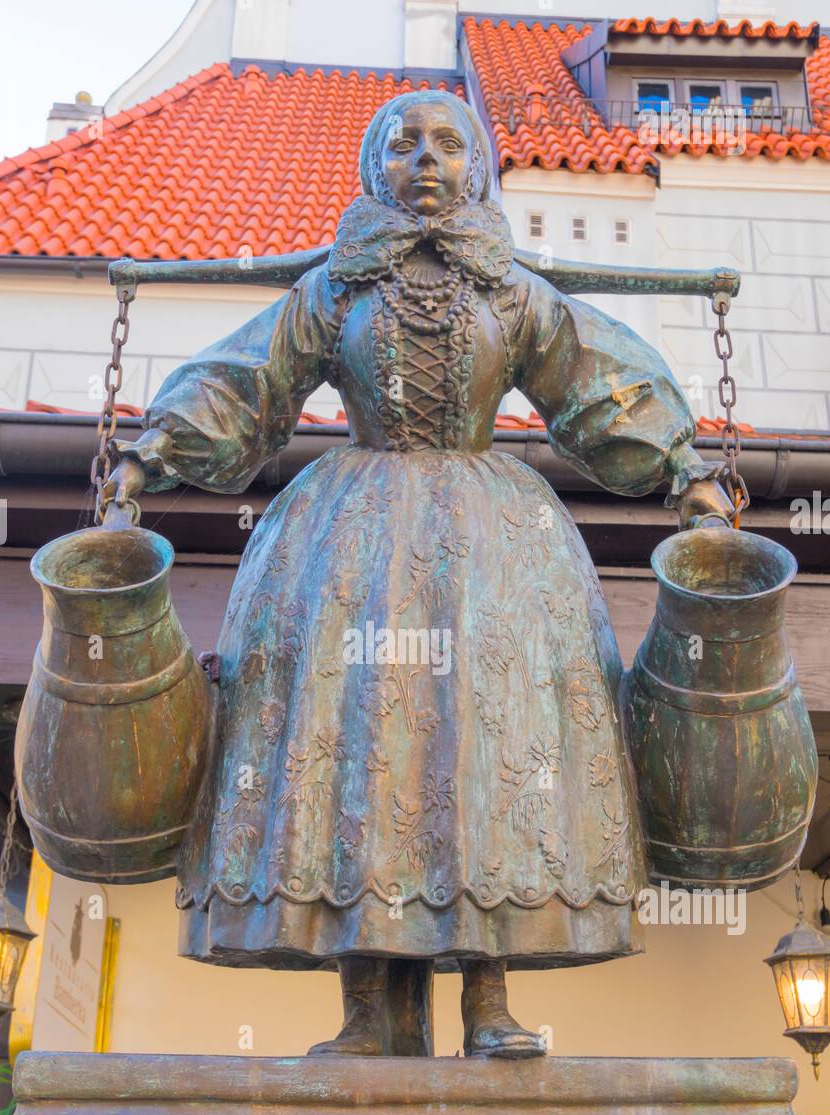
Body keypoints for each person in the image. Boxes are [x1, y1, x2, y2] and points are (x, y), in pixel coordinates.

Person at [101, 90, 732, 1058]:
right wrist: (151, 447)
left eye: (446, 144)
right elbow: (253, 376)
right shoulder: (337, 288)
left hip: (492, 555)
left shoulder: (509, 290)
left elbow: (589, 375)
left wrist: (681, 468)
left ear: (475, 168)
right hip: (349, 549)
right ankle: (368, 1016)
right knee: (365, 751)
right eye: (403, 146)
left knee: (486, 746)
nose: (425, 161)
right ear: (373, 168)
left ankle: (488, 1003)